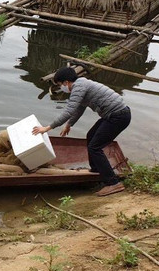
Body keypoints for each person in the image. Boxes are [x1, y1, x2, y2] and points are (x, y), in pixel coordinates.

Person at [32, 67, 131, 197]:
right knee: (91, 136)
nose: (61, 87)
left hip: (118, 116)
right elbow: (79, 108)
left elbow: (69, 110)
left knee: (95, 147)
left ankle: (113, 183)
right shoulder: (81, 84)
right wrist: (69, 124)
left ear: (66, 82)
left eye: (60, 85)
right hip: (115, 115)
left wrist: (47, 128)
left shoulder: (79, 87)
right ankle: (96, 169)